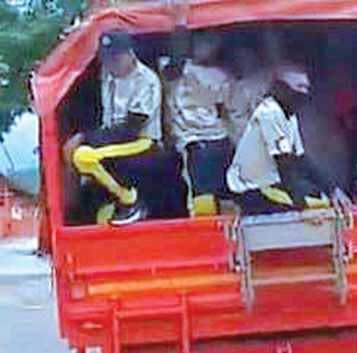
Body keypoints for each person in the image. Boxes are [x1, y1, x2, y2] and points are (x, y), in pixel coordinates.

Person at [67, 32, 163, 225]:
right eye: (106, 57)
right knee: (84, 190)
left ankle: (131, 201)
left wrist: (87, 138)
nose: (111, 63)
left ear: (130, 54)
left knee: (84, 156)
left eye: (116, 57)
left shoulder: (146, 81)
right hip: (115, 139)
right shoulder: (107, 75)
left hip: (142, 143)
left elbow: (130, 130)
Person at [226, 62, 346, 214]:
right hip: (251, 188)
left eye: (307, 87)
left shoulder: (289, 114)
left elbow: (300, 158)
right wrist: (303, 209)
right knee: (301, 210)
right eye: (299, 86)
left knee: (320, 198)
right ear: (282, 88)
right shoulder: (269, 112)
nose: (305, 92)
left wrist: (332, 190)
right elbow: (283, 163)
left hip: (272, 184)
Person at [162, 32, 235, 217]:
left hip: (220, 139)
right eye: (202, 41)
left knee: (228, 195)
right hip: (194, 142)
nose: (206, 47)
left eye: (212, 41)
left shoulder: (222, 73)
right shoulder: (175, 67)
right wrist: (180, 26)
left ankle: (231, 240)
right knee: (202, 199)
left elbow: (224, 110)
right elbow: (172, 69)